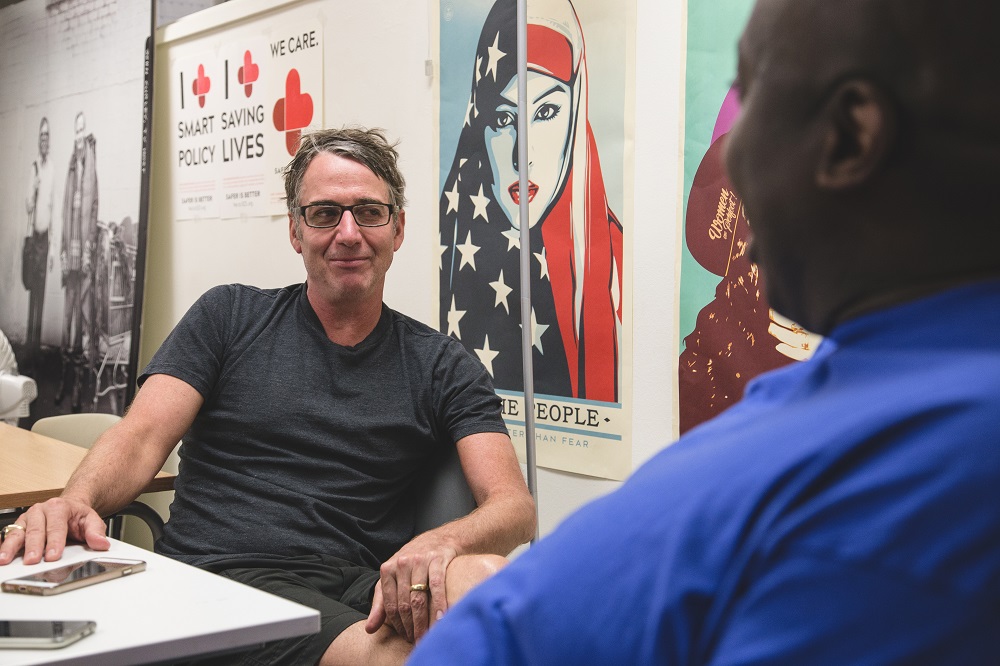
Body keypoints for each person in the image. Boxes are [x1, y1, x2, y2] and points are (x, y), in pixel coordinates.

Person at [411, 0, 1000, 662]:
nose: (731, 162)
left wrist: (479, 590)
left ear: (850, 136)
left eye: (747, 97)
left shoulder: (885, 496)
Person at [0, 127, 536, 665]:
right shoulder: (228, 317)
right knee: (403, 658)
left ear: (398, 229)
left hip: (357, 587)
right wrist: (76, 500)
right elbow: (141, 438)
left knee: (485, 580)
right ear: (296, 232)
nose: (348, 233)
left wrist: (444, 543)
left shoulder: (443, 364)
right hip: (221, 585)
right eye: (324, 213)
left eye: (369, 212)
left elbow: (514, 508)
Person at [439, 0, 623, 401]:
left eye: (547, 112)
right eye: (505, 120)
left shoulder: (617, 265)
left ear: (576, 116)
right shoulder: (449, 245)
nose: (524, 154)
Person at [58, 111, 99, 411]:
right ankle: (63, 380)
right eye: (76, 131)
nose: (79, 138)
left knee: (83, 324)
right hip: (69, 258)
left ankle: (77, 392)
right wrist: (63, 250)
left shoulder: (90, 169)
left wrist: (87, 251)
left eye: (82, 132)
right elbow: (63, 213)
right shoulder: (70, 169)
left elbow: (93, 210)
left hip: (83, 258)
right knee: (67, 322)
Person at [21, 117, 55, 377]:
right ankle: (30, 350)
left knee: (42, 298)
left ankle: (36, 355)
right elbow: (29, 207)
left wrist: (52, 249)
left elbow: (52, 210)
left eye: (47, 137)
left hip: (46, 241)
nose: (44, 140)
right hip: (34, 239)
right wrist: (32, 190)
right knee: (33, 295)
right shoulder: (33, 168)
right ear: (38, 141)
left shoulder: (51, 169)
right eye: (41, 136)